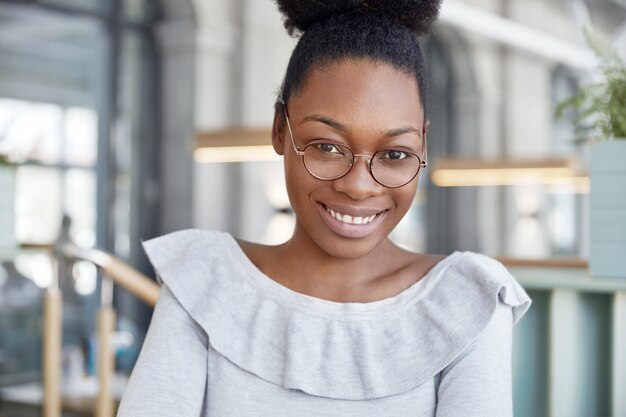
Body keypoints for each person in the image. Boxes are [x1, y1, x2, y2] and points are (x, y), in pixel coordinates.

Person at [117, 1, 531, 416]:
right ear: (281, 129)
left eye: (394, 154)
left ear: (422, 145)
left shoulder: (467, 302)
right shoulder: (205, 283)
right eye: (327, 147)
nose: (357, 185)